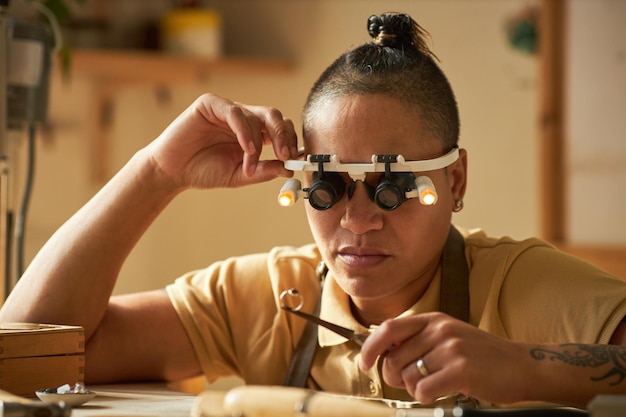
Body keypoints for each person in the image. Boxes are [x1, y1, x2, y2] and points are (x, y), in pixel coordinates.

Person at [1, 12, 626, 409]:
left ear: (455, 179)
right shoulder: (273, 297)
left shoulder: (519, 287)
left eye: (393, 185)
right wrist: (154, 173)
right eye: (326, 187)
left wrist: (524, 367)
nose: (357, 219)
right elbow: (24, 354)